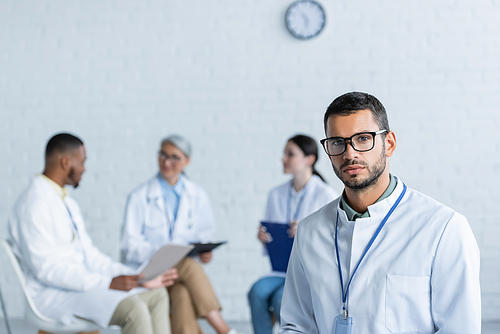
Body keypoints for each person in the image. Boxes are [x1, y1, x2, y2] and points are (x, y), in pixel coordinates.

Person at [279, 92, 481, 333]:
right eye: (337, 142)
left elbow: (460, 329)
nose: (349, 153)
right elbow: (295, 325)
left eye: (363, 138)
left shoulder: (444, 228)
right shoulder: (309, 231)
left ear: (390, 144)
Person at [7, 133, 178, 334]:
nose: (84, 168)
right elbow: (47, 270)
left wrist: (133, 277)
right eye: (82, 162)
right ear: (65, 162)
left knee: (157, 294)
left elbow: (90, 256)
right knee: (133, 309)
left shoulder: (66, 202)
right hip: (53, 296)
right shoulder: (34, 204)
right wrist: (107, 283)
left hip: (80, 287)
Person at [120, 135, 240, 334]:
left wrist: (205, 252)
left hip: (178, 277)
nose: (166, 162)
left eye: (174, 157)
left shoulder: (197, 195)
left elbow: (204, 235)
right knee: (188, 265)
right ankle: (224, 330)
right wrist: (163, 253)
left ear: (187, 161)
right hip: (149, 272)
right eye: (163, 155)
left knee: (183, 294)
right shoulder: (139, 197)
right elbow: (129, 245)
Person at [248, 134, 338, 334]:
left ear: (310, 159)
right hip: (281, 270)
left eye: (290, 154)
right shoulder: (275, 194)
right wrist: (263, 238)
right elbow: (271, 240)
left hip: (309, 273)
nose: (283, 159)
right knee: (256, 291)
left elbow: (337, 242)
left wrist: (308, 232)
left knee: (282, 299)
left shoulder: (326, 195)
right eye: (284, 154)